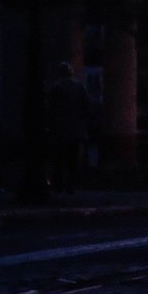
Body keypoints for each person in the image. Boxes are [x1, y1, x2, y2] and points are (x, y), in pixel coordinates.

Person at [45, 62, 93, 195]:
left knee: (58, 159)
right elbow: (87, 107)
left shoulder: (55, 88)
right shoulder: (79, 87)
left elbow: (49, 108)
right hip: (75, 130)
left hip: (58, 130)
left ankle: (58, 184)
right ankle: (70, 184)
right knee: (72, 159)